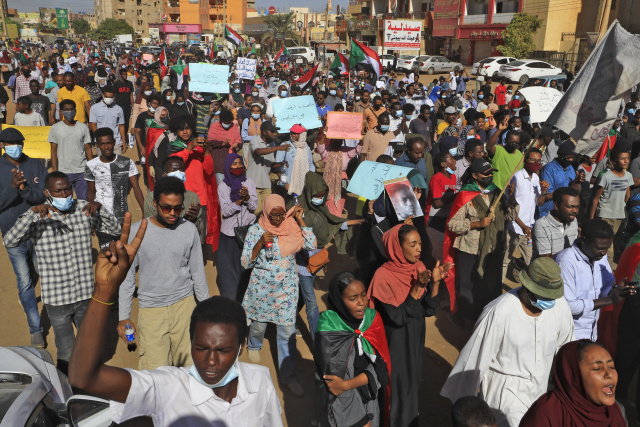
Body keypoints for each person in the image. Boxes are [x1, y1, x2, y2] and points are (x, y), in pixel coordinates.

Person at [67, 220, 283, 426]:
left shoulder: (260, 381)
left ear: (241, 347)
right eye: (201, 348)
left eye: (223, 350)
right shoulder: (168, 387)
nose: (210, 361)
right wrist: (104, 292)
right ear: (190, 343)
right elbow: (84, 377)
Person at [3, 171, 121, 374]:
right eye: (58, 191)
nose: (65, 194)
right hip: (57, 300)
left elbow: (115, 229)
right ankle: (68, 392)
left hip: (85, 295)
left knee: (90, 347)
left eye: (67, 189)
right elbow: (9, 241)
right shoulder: (38, 216)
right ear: (47, 192)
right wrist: (31, 213)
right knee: (66, 351)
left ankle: (92, 385)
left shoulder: (84, 209)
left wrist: (100, 210)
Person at [441, 258, 575, 427]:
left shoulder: (559, 305)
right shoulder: (499, 311)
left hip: (540, 392)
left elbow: (567, 349)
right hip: (505, 393)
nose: (549, 301)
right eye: (542, 295)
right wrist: (467, 412)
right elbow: (474, 359)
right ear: (527, 288)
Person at [119, 176, 209, 370]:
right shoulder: (138, 231)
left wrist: (206, 309)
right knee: (156, 373)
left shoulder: (189, 229)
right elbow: (127, 278)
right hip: (152, 312)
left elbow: (198, 273)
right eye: (166, 207)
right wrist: (124, 316)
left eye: (178, 208)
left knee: (189, 369)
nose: (173, 213)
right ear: (154, 204)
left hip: (185, 307)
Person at [367, 224, 450, 426]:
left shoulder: (419, 267)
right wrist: (418, 287)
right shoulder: (383, 276)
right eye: (413, 244)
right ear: (397, 247)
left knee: (413, 380)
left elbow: (429, 310)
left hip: (415, 334)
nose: (419, 249)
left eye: (420, 243)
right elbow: (397, 318)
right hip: (396, 340)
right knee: (397, 385)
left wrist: (436, 283)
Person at [241, 194, 317, 397]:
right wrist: (258, 243)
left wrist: (300, 220)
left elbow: (310, 244)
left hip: (286, 291)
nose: (277, 219)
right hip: (262, 289)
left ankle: (288, 376)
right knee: (258, 325)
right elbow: (245, 263)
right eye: (273, 215)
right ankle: (254, 345)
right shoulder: (256, 230)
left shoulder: (291, 226)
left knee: (286, 333)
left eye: (281, 214)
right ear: (265, 212)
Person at [314, 272, 391, 427]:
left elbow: (382, 366)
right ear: (339, 300)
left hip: (369, 393)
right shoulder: (329, 327)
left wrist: (348, 384)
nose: (361, 303)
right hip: (342, 402)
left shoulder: (372, 319)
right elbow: (335, 383)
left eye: (363, 295)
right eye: (352, 298)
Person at [444, 158, 516, 323]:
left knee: (487, 284)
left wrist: (511, 199)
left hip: (491, 248)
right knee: (467, 285)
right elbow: (453, 224)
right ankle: (467, 317)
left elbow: (511, 216)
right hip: (469, 248)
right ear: (475, 176)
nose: (489, 176)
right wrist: (477, 223)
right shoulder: (465, 195)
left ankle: (487, 317)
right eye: (486, 173)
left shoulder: (497, 193)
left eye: (491, 173)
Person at [0, 128, 47, 347]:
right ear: (2, 145)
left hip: (39, 233)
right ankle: (36, 329)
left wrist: (25, 190)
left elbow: (44, 195)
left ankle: (27, 296)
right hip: (12, 235)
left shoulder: (37, 164)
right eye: (10, 143)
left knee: (41, 272)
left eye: (19, 142)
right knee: (25, 281)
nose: (15, 146)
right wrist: (12, 188)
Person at [555, 218, 635, 340]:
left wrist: (616, 289)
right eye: (600, 248)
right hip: (572, 334)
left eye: (606, 249)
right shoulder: (566, 261)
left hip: (593, 331)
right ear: (584, 240)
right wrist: (609, 300)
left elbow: (607, 284)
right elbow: (567, 306)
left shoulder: (599, 256)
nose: (604, 253)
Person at [521, 340, 626, 426]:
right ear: (573, 375)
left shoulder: (616, 411)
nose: (609, 374)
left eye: (611, 367)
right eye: (597, 368)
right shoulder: (547, 413)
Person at [85, 128, 144, 248]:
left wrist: (144, 211)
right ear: (97, 145)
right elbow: (91, 192)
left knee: (123, 251)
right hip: (101, 216)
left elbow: (136, 188)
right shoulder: (91, 165)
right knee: (107, 253)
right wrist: (90, 219)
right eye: (102, 144)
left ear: (114, 142)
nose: (106, 147)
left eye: (109, 143)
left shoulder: (127, 162)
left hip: (122, 215)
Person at [170, 114, 221, 251]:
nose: (185, 132)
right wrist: (189, 148)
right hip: (182, 199)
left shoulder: (199, 149)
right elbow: (176, 163)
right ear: (175, 131)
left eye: (188, 128)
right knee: (180, 237)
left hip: (200, 199)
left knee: (200, 239)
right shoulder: (172, 147)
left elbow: (209, 171)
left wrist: (206, 152)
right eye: (181, 129)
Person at [217, 154, 257, 301]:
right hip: (229, 235)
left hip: (248, 232)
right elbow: (226, 211)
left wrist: (247, 198)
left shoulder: (250, 182)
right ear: (228, 167)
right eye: (234, 164)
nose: (238, 166)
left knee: (246, 268)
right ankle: (232, 301)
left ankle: (247, 300)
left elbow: (254, 206)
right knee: (229, 269)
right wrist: (239, 200)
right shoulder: (223, 186)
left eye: (240, 163)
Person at [501, 148, 545, 282]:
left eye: (539, 160)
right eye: (533, 160)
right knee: (505, 261)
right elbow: (511, 206)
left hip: (528, 229)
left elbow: (540, 203)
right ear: (525, 161)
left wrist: (543, 191)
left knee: (530, 261)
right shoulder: (517, 177)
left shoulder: (536, 178)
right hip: (515, 227)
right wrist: (523, 226)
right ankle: (498, 289)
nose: (536, 163)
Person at [589, 145, 633, 269]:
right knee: (608, 245)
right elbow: (596, 198)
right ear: (613, 161)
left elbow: (627, 197)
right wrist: (591, 219)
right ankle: (609, 270)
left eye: (627, 158)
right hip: (605, 214)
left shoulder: (628, 176)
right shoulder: (606, 176)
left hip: (619, 216)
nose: (626, 161)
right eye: (622, 158)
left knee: (612, 242)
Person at [143, 157, 204, 242]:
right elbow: (152, 226)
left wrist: (192, 221)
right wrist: (181, 221)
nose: (178, 173)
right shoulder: (151, 197)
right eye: (174, 170)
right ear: (164, 174)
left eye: (181, 170)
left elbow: (197, 228)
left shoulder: (193, 197)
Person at [49, 99, 93, 200]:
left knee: (83, 200)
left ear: (75, 110)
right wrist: (55, 171)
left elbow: (88, 148)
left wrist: (91, 167)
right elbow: (53, 151)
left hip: (81, 170)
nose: (69, 111)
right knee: (65, 199)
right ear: (61, 111)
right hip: (63, 171)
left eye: (71, 109)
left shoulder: (83, 127)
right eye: (66, 109)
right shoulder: (55, 128)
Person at [246, 120, 288, 216]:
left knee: (266, 211)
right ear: (264, 132)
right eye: (272, 132)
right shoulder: (255, 141)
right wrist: (278, 148)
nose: (274, 134)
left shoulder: (271, 145)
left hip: (266, 184)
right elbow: (258, 152)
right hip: (254, 183)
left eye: (275, 132)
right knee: (256, 210)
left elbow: (271, 165)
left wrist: (281, 163)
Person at [426, 151, 458, 262]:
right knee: (442, 256)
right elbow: (437, 203)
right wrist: (455, 197)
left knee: (439, 254)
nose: (454, 161)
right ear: (443, 164)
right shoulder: (437, 179)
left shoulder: (453, 177)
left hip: (445, 220)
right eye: (451, 159)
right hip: (434, 221)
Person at [539, 140, 584, 217]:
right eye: (569, 157)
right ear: (560, 155)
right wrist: (569, 190)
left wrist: (577, 183)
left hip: (567, 214)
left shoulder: (570, 168)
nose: (571, 160)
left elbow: (576, 191)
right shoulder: (549, 169)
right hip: (549, 214)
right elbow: (547, 195)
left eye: (573, 158)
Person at [532, 187, 580, 258]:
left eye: (577, 207)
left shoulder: (573, 220)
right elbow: (545, 260)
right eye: (570, 207)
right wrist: (576, 251)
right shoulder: (541, 225)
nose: (575, 211)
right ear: (557, 206)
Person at [89, 85, 127, 155]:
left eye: (111, 97)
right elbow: (93, 125)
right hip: (101, 143)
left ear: (114, 96)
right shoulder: (94, 108)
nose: (108, 99)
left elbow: (121, 126)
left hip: (116, 142)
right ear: (102, 95)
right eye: (106, 97)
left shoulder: (118, 109)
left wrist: (124, 141)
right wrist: (97, 139)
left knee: (116, 164)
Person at [208, 108, 242, 185]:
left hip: (231, 159)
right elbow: (210, 141)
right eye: (225, 123)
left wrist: (236, 144)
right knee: (221, 183)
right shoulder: (214, 127)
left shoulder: (233, 126)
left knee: (232, 183)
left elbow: (238, 139)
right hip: (218, 158)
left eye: (228, 123)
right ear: (221, 121)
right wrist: (222, 144)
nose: (227, 125)